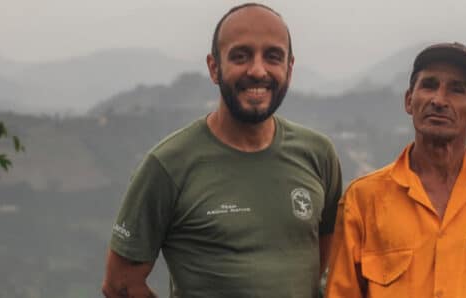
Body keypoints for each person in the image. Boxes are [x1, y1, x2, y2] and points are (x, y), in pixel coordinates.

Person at [101, 3, 342, 297]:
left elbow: (325, 259)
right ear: (214, 68)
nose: (257, 70)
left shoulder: (318, 155)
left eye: (273, 56)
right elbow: (120, 284)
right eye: (240, 56)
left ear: (289, 69)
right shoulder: (167, 165)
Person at [325, 42, 466, 298]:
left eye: (457, 89)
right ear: (409, 101)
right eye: (429, 85)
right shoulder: (364, 199)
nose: (439, 100)